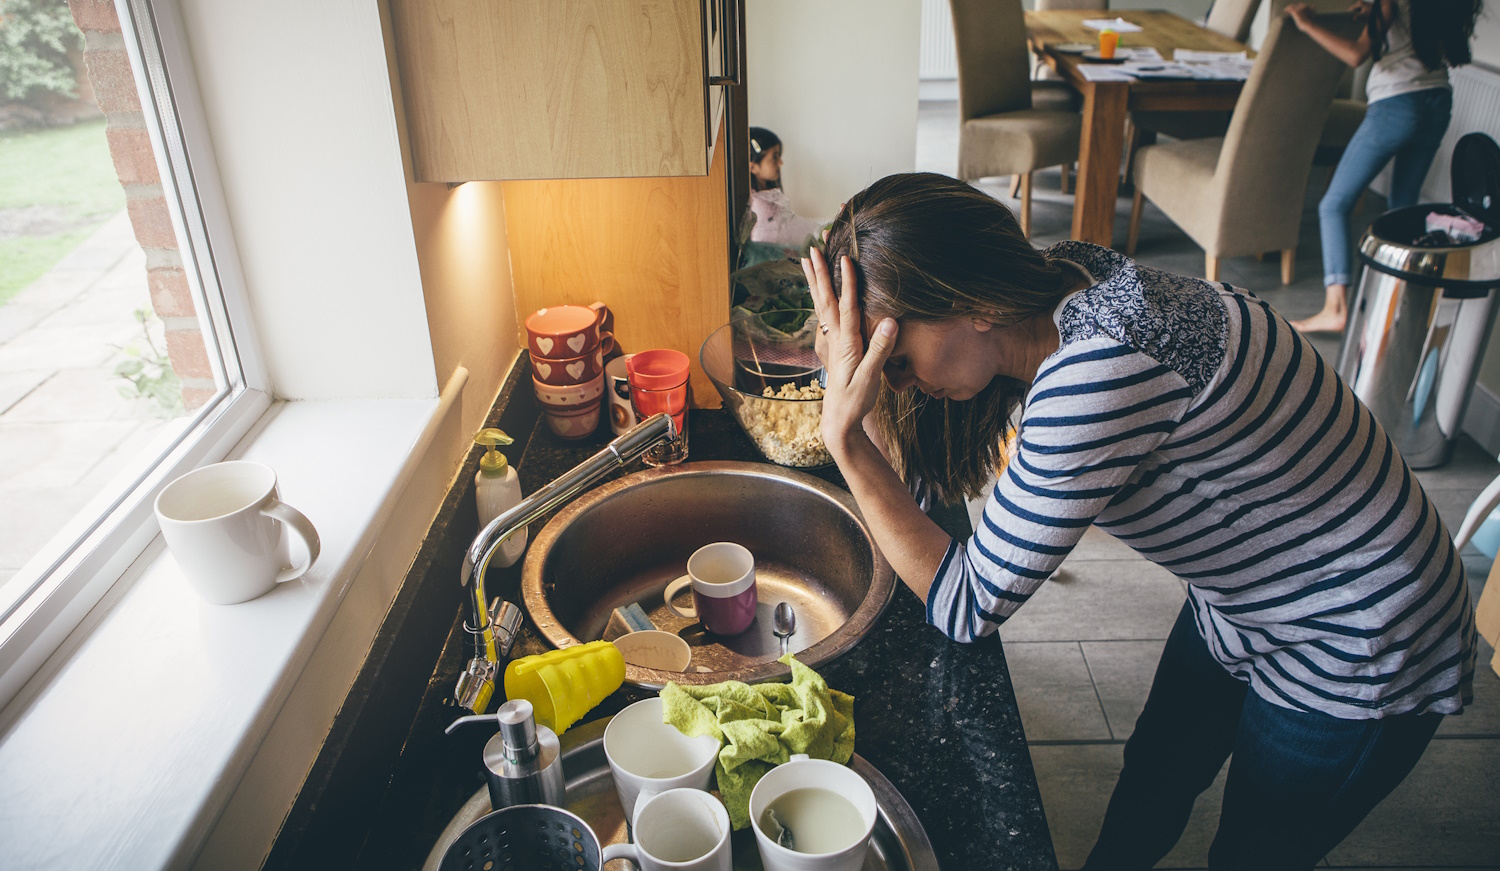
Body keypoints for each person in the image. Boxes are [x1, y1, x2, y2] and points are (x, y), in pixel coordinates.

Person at [801, 172, 1476, 869]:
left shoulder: (1096, 371)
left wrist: (846, 438)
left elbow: (964, 602)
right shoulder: (1067, 278)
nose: (897, 382)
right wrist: (850, 383)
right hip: (1245, 597)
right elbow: (912, 496)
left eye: (896, 359)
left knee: (1254, 850)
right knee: (1156, 771)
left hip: (1359, 631)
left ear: (974, 303)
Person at [1286, 0, 1482, 333]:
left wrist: (1305, 23)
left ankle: (1335, 308)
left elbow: (1355, 54)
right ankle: (1402, 304)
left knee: (1334, 204)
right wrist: (1377, 13)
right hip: (1437, 99)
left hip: (1397, 103)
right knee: (1403, 205)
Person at [748, 126, 821, 248]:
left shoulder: (768, 194)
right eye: (774, 157)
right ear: (754, 167)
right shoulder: (758, 205)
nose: (780, 163)